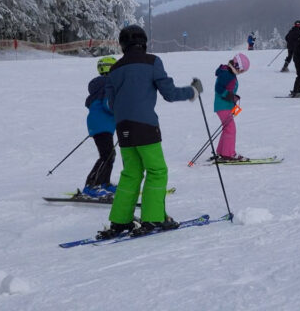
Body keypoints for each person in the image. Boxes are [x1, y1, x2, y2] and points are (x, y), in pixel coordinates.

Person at [95, 25, 199, 239]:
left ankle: (120, 220)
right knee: (156, 171)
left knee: (131, 173)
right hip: (145, 126)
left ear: (123, 45)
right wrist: (193, 91)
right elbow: (169, 93)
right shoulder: (152, 62)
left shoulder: (115, 69)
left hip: (122, 128)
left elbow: (112, 103)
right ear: (144, 43)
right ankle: (153, 218)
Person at [81, 56, 118, 198]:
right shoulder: (109, 84)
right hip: (102, 125)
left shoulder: (100, 85)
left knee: (110, 154)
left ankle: (104, 183)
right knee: (106, 155)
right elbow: (108, 104)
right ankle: (91, 186)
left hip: (99, 124)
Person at [213, 53, 249, 162]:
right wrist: (230, 96)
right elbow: (218, 89)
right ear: (237, 66)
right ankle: (229, 154)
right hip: (222, 106)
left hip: (225, 105)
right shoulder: (226, 74)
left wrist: (233, 97)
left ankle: (222, 152)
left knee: (227, 128)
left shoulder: (228, 72)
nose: (241, 73)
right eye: (241, 70)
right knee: (230, 129)